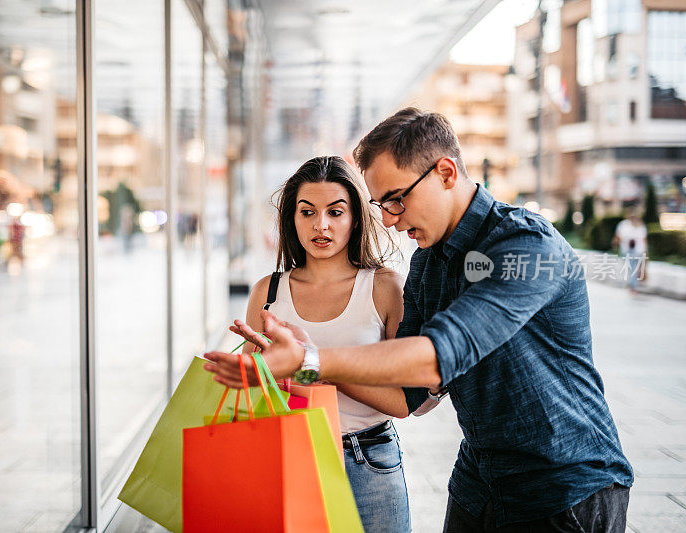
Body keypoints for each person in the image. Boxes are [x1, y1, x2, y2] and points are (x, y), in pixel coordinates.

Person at [206, 108, 633, 532]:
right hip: (479, 481)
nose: (390, 221)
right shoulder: (429, 265)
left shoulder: (526, 245)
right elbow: (408, 394)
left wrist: (310, 358)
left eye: (396, 199)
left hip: (563, 486)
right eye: (381, 205)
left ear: (446, 172)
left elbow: (439, 357)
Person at [240, 156, 441, 532]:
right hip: (286, 457)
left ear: (355, 217)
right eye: (307, 212)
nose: (321, 225)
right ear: (291, 218)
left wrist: (309, 362)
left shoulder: (384, 288)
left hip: (368, 462)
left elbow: (406, 403)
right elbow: (251, 396)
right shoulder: (267, 293)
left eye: (336, 211)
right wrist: (254, 372)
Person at [613, 210, 647, 294]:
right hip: (627, 250)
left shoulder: (641, 226)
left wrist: (645, 252)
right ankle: (632, 285)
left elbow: (644, 241)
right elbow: (618, 237)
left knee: (633, 268)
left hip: (638, 251)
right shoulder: (624, 225)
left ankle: (632, 286)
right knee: (632, 268)